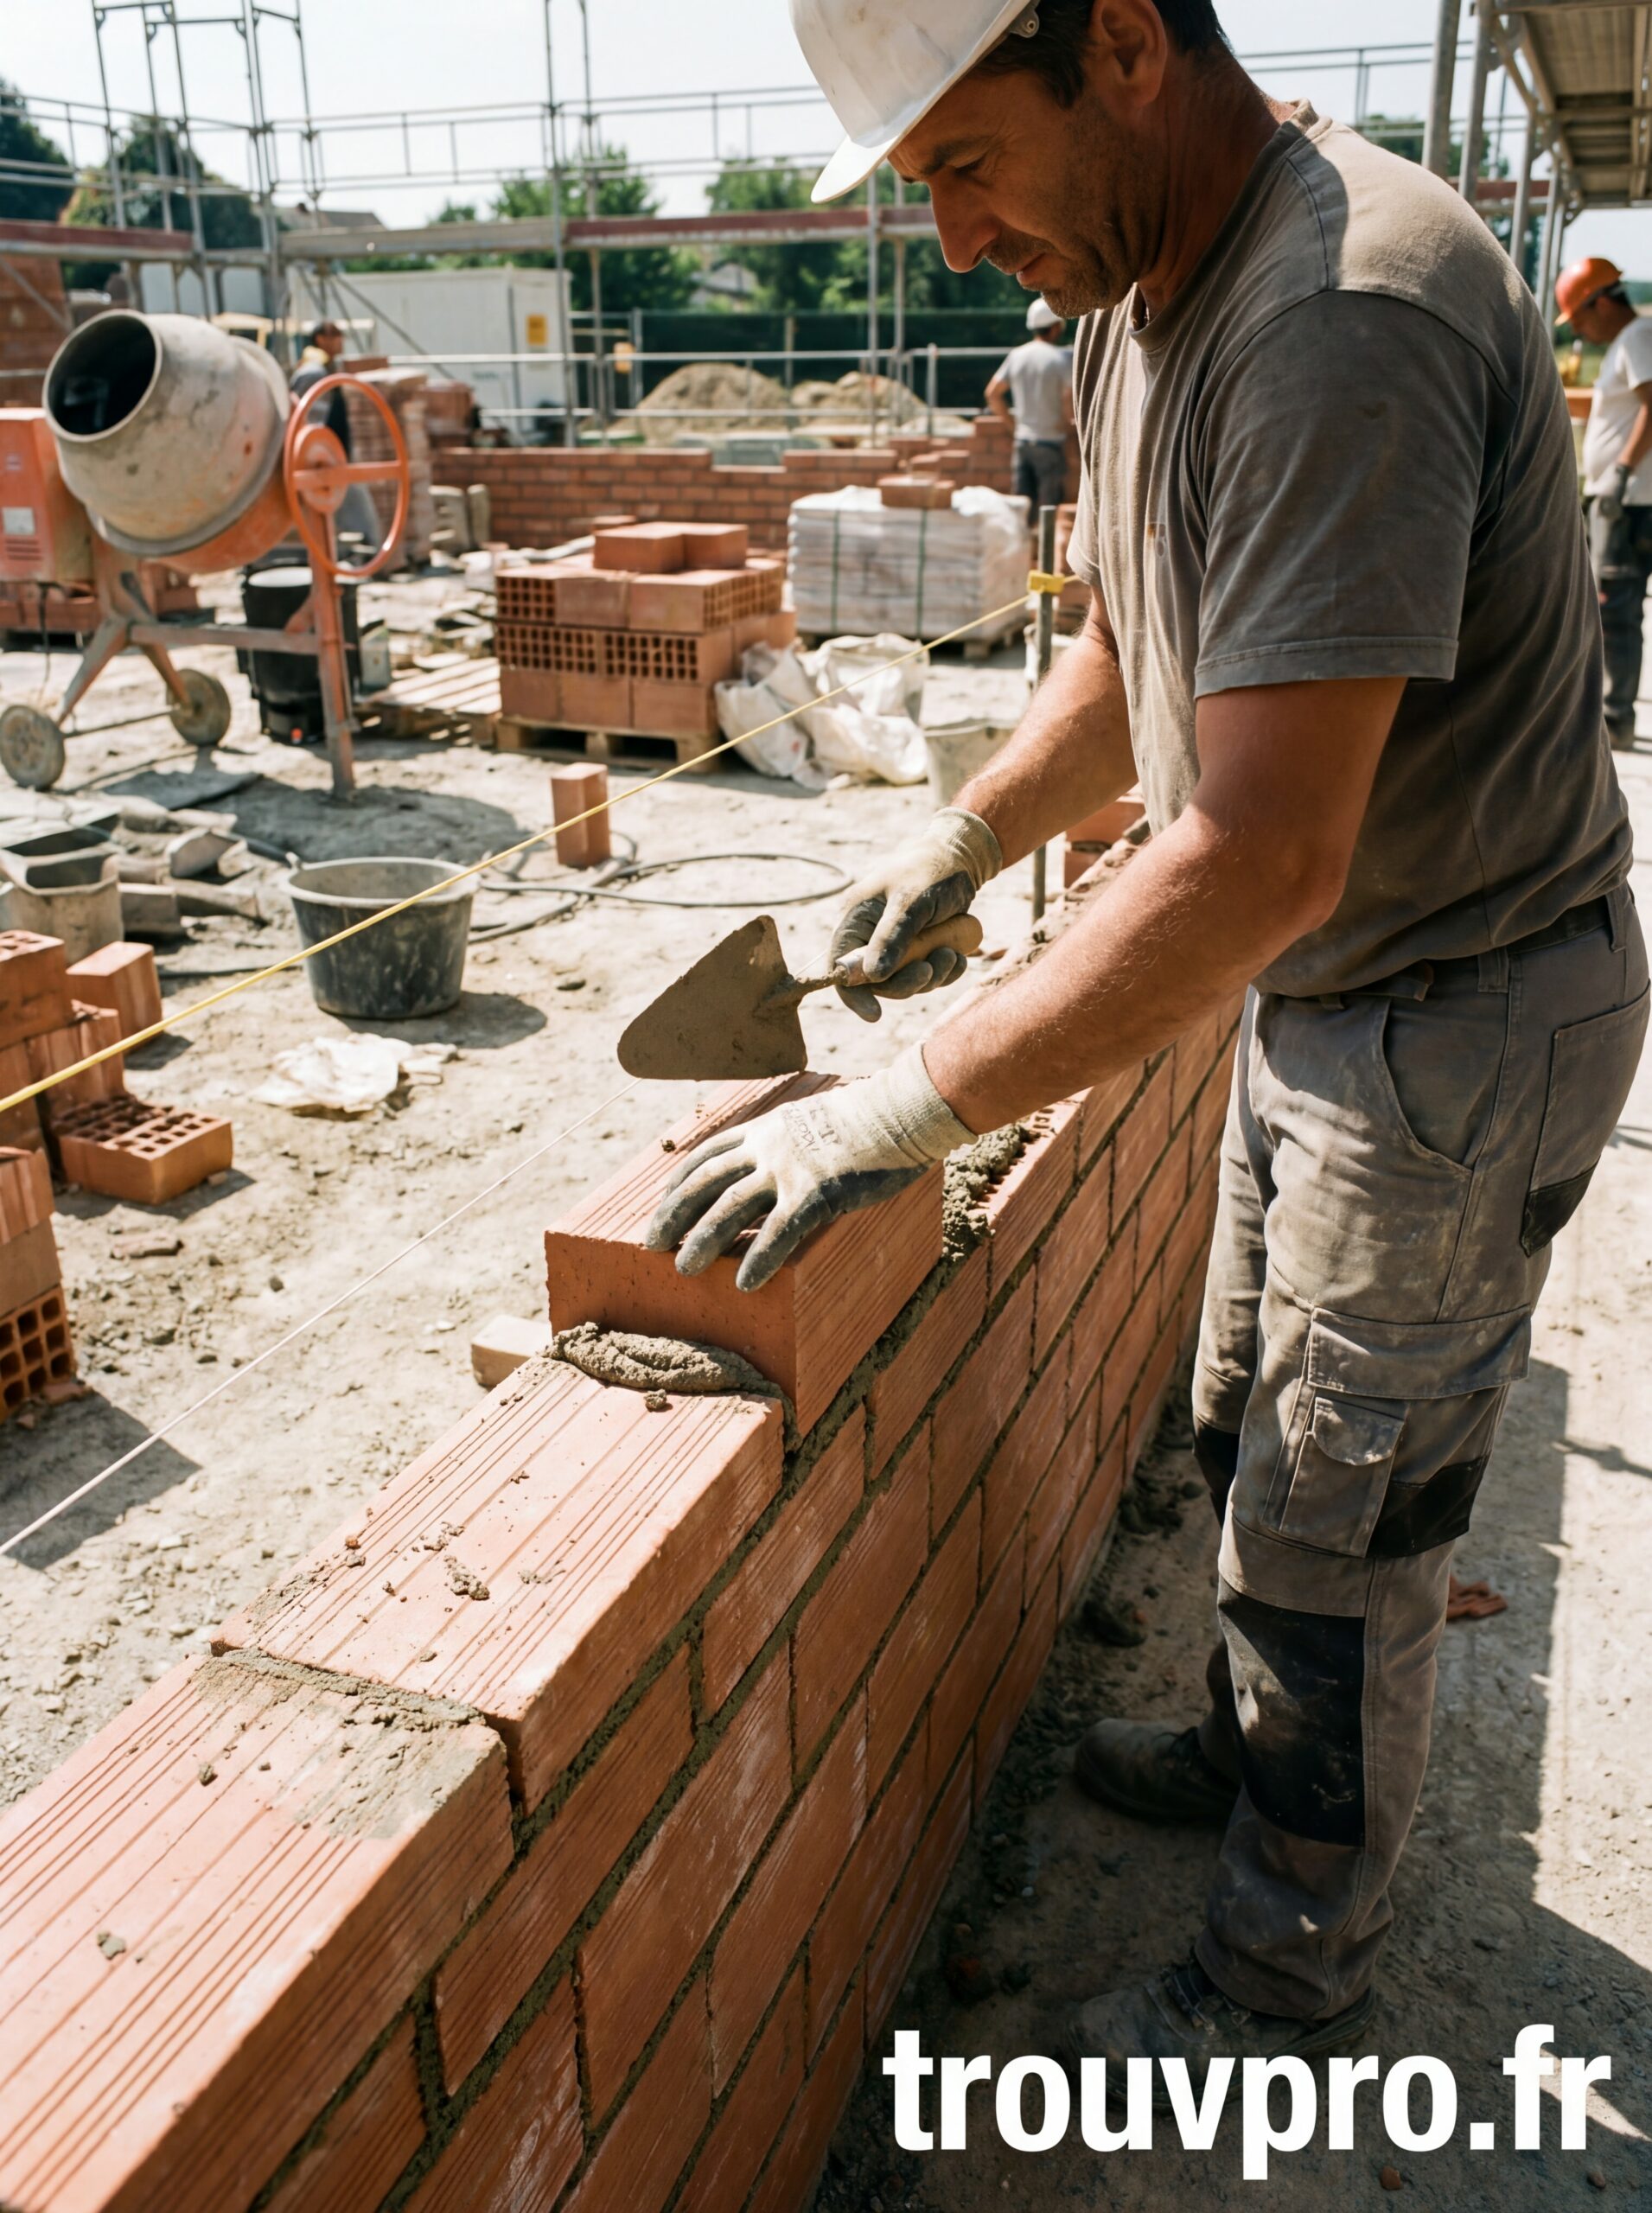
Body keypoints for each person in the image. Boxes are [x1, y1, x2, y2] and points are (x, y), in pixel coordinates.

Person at [647, 0, 1644, 2082]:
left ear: (1116, 42)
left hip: (1456, 1010)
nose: (944, 236)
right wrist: (967, 827)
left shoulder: (1340, 309)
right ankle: (1249, 1743)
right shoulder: (1134, 285)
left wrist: (903, 1104)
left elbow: (1268, 848)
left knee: (1341, 1522)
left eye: (958, 163)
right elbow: (1139, 642)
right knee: (1246, 1432)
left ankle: (1284, 1980)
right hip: (1338, 990)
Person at [1560, 255, 1652, 748]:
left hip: (1630, 500)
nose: (1578, 329)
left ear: (1599, 303)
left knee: (1613, 609)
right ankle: (1613, 713)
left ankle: (1614, 718)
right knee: (1614, 607)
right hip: (1628, 496)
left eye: (1577, 317)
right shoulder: (1627, 344)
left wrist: (1619, 473)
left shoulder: (1637, 339)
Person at [289, 319, 383, 553]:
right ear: (321, 339)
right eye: (336, 336)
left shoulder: (326, 369)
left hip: (334, 456)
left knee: (345, 512)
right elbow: (303, 418)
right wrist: (315, 454)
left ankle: (358, 554)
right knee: (354, 511)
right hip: (323, 460)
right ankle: (367, 553)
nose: (341, 342)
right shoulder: (313, 372)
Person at [987, 296, 1075, 513]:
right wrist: (1068, 425)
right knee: (1049, 510)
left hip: (1023, 443)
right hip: (1050, 443)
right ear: (1055, 327)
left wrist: (1012, 426)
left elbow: (992, 394)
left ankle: (1024, 546)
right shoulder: (1061, 359)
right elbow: (1070, 397)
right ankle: (1044, 547)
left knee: (1022, 509)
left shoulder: (1017, 356)